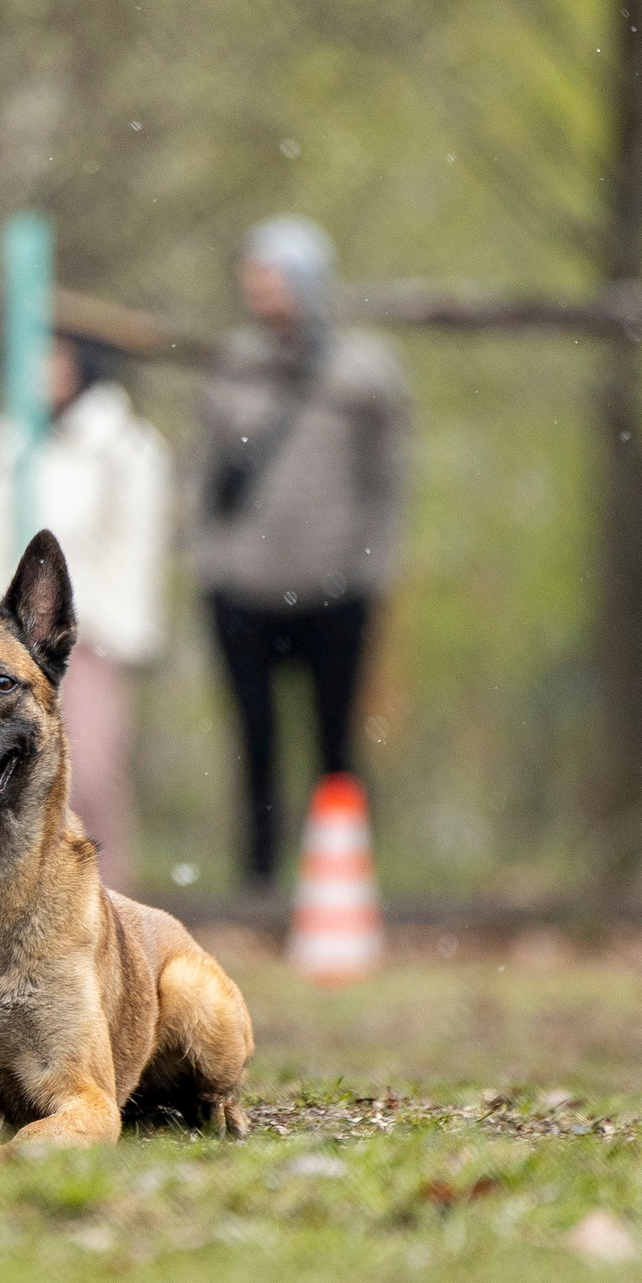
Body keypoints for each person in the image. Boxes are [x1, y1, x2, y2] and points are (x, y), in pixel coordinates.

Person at [191, 216, 412, 893]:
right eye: (254, 275)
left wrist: (370, 570)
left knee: (335, 747)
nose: (261, 289)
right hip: (241, 591)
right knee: (254, 742)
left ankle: (338, 891)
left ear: (310, 281)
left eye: (274, 275)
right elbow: (201, 471)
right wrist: (211, 563)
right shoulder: (231, 365)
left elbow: (389, 481)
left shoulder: (367, 373)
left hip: (336, 591)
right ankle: (257, 886)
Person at [0, 333, 171, 887]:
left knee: (88, 773)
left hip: (87, 637)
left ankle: (104, 898)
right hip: (0, 640)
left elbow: (137, 546)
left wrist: (99, 626)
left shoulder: (125, 447)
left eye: (52, 357)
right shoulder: (6, 442)